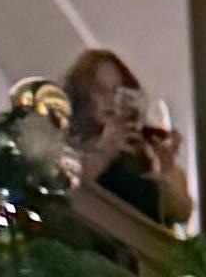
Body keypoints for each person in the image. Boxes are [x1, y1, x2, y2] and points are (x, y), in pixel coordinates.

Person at [61, 47, 188, 233]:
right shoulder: (69, 147)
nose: (111, 100)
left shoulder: (143, 150)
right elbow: (65, 195)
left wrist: (166, 170)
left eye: (118, 91)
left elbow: (181, 213)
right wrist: (104, 152)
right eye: (99, 90)